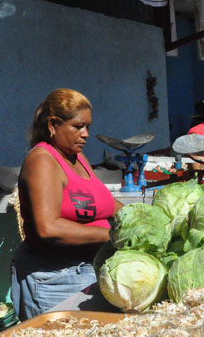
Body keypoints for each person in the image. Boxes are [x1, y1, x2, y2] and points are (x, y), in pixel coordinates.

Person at [11, 89, 124, 320]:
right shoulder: (43, 161)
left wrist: (140, 218)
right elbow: (48, 228)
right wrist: (113, 235)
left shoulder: (77, 157)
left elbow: (106, 203)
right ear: (53, 125)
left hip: (87, 270)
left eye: (88, 127)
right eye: (78, 126)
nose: (86, 134)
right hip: (55, 279)